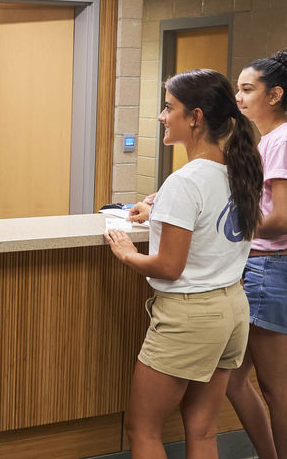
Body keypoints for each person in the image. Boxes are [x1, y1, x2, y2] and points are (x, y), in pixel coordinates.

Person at [104, 69, 263, 459]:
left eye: (168, 107)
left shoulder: (185, 181)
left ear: (194, 117)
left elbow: (169, 266)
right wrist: (159, 207)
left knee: (142, 428)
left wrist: (128, 254)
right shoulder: (240, 170)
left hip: (190, 317)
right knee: (203, 430)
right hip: (231, 309)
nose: (161, 115)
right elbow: (208, 217)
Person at [225, 50, 287, 459]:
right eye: (238, 88)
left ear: (276, 94)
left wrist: (228, 228)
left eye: (248, 89)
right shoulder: (266, 139)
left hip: (267, 270)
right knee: (233, 381)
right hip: (259, 269)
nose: (239, 96)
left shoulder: (281, 140)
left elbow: (280, 218)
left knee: (276, 387)